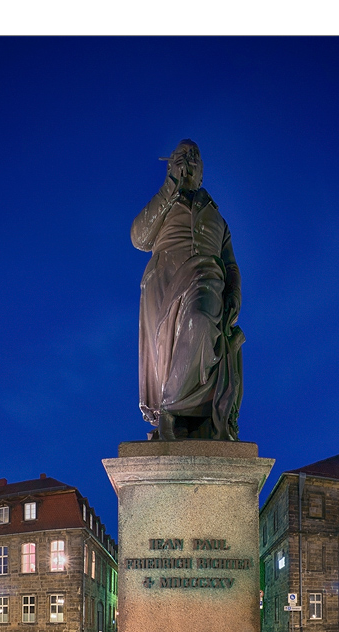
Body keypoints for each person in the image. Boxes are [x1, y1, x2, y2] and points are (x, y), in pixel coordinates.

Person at [131, 139, 244, 440]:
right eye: (182, 156)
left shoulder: (217, 217)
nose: (189, 161)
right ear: (170, 165)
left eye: (195, 157)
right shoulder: (166, 203)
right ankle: (172, 414)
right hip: (164, 279)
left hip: (207, 275)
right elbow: (139, 237)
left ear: (202, 172)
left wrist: (234, 294)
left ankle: (173, 405)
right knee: (164, 355)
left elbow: (231, 265)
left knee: (201, 319)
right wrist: (170, 187)